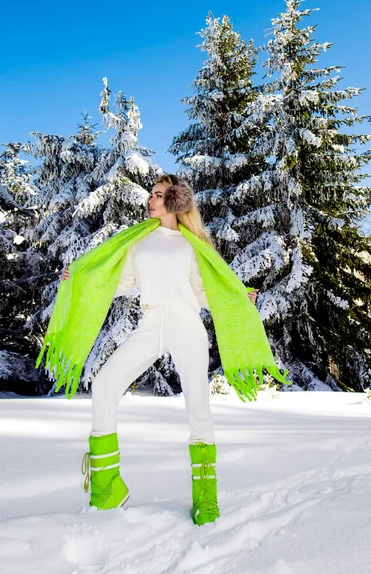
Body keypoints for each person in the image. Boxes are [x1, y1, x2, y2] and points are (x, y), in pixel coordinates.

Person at [61, 174, 259, 525]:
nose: (150, 201)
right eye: (150, 195)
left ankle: (205, 499)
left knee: (198, 407)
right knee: (105, 385)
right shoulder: (139, 241)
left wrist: (238, 299)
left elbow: (204, 292)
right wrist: (78, 280)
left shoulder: (192, 245)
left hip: (186, 325)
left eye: (157, 195)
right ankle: (108, 486)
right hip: (150, 324)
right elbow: (117, 284)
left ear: (175, 200)